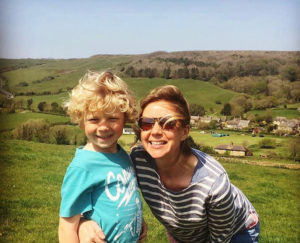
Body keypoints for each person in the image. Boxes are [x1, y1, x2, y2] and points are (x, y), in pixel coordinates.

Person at [78, 85, 260, 243]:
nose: (156, 131)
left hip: (236, 231)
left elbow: (221, 239)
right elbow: (104, 190)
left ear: (185, 131)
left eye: (169, 124)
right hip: (183, 232)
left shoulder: (214, 184)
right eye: (147, 123)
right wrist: (83, 222)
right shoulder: (139, 160)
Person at [58, 71, 144, 243]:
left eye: (112, 118)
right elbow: (67, 225)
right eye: (94, 120)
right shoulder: (83, 166)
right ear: (81, 121)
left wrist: (138, 223)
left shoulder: (123, 156)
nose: (103, 127)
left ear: (124, 119)